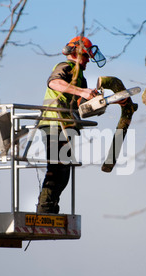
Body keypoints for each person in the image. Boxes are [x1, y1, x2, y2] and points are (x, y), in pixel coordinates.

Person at [36, 36, 106, 214]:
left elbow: (80, 104)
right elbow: (54, 82)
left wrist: (97, 102)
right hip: (54, 123)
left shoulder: (81, 77)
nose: (88, 60)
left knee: (64, 170)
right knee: (57, 167)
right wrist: (83, 91)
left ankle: (51, 206)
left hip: (68, 126)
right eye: (86, 56)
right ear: (77, 53)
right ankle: (44, 208)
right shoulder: (65, 67)